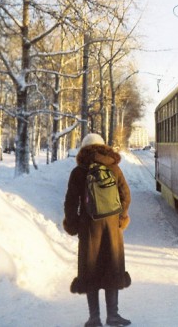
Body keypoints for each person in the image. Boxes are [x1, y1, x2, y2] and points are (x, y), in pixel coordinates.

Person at [63, 133, 132, 327]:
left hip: (88, 226)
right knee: (113, 268)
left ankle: (94, 318)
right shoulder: (114, 167)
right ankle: (113, 316)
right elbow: (126, 196)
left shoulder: (79, 171)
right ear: (103, 147)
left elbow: (71, 201)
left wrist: (73, 223)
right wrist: (121, 217)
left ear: (84, 149)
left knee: (90, 269)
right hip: (111, 227)